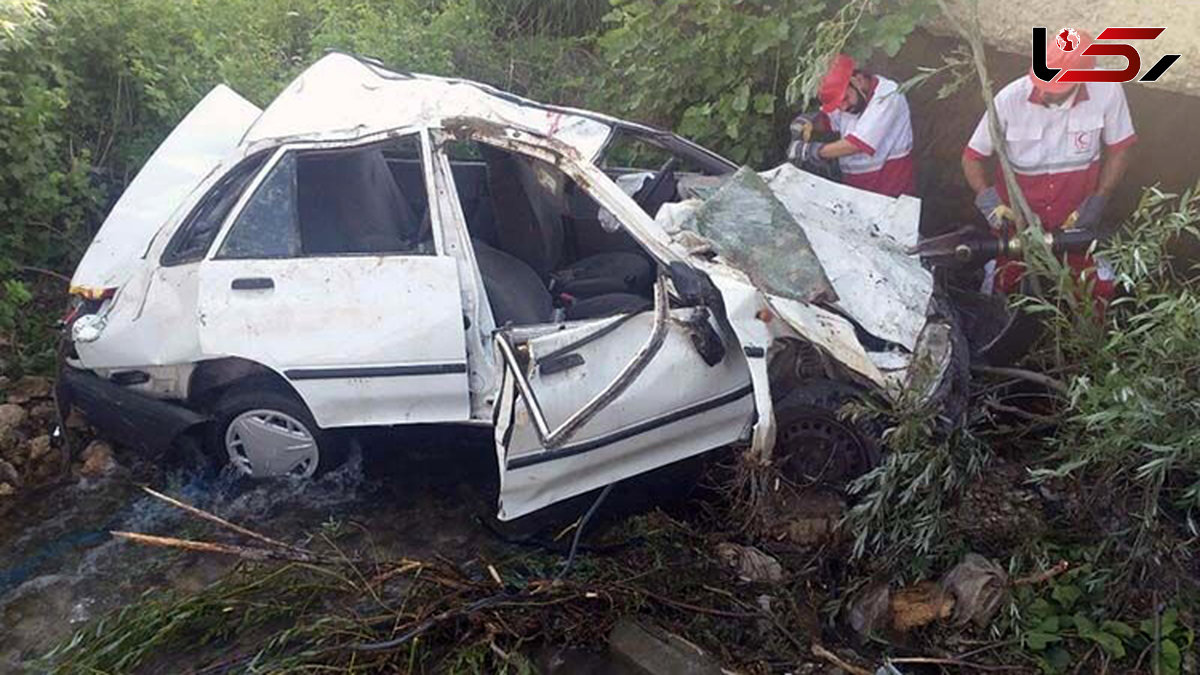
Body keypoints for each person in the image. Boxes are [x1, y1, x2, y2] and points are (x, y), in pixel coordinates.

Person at [962, 29, 1135, 297]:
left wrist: (1099, 200)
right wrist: (990, 203)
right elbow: (972, 157)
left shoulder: (1107, 91)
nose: (1043, 90)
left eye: (1055, 86)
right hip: (1019, 221)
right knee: (1002, 287)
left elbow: (1120, 150)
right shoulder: (1009, 100)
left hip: (1074, 220)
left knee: (1095, 290)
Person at [787, 53, 916, 197]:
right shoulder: (850, 96)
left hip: (889, 190)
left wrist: (813, 151)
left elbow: (856, 145)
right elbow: (828, 121)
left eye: (845, 99)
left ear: (858, 80)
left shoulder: (889, 95)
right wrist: (808, 123)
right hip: (856, 187)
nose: (842, 108)